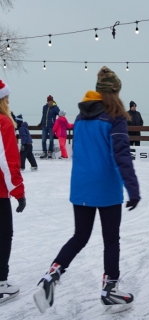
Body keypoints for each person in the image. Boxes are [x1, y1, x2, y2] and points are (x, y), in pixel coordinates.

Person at [33, 66, 141, 313]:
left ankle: (52, 274)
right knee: (110, 240)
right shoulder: (115, 117)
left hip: (81, 187)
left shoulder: (81, 118)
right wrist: (132, 189)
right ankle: (110, 290)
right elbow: (121, 156)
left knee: (80, 236)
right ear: (115, 91)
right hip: (106, 188)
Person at [0, 79, 26, 304]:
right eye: (7, 98)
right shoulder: (4, 123)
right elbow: (8, 161)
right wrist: (18, 191)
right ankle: (0, 283)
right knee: (3, 234)